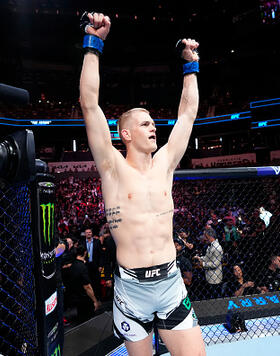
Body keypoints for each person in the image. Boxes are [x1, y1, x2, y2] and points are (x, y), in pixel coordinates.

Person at [79, 11, 205, 355]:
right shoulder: (113, 167)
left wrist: (190, 65)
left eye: (153, 123)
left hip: (170, 283)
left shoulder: (165, 164)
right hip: (131, 292)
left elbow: (188, 114)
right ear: (126, 133)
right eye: (146, 123)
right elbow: (90, 105)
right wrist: (94, 44)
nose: (154, 128)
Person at [67, 245, 100, 324]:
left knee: (81, 320)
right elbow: (87, 287)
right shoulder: (82, 267)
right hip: (85, 299)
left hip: (76, 297)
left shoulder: (73, 265)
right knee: (89, 320)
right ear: (85, 253)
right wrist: (95, 301)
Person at [194, 227, 223, 299]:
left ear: (209, 236)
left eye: (205, 236)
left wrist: (202, 264)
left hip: (215, 278)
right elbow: (208, 258)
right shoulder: (210, 246)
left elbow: (215, 264)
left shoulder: (217, 247)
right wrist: (200, 258)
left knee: (215, 298)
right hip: (209, 276)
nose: (204, 238)